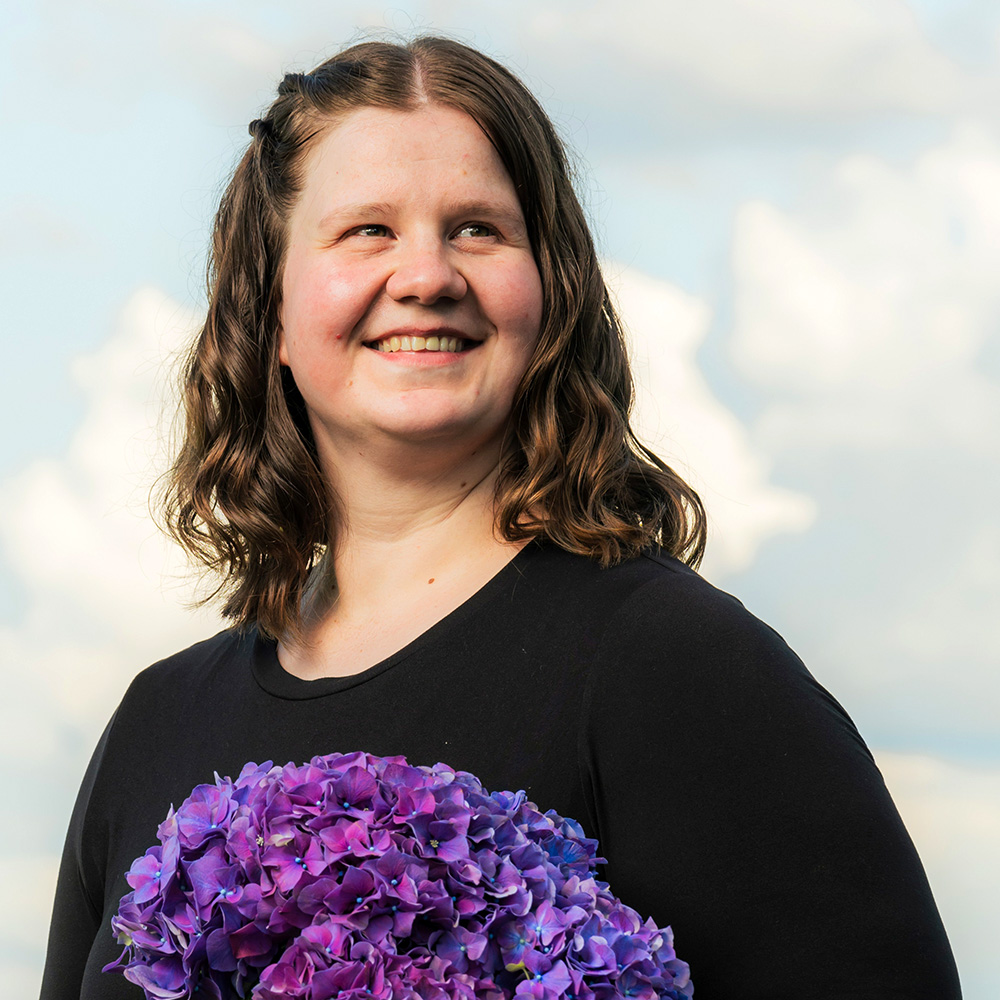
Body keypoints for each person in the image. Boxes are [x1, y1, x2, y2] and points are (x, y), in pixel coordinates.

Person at [40, 36, 960, 999]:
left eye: (477, 228)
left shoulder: (675, 666)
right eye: (367, 231)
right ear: (269, 308)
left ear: (549, 294)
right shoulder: (156, 723)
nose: (427, 274)